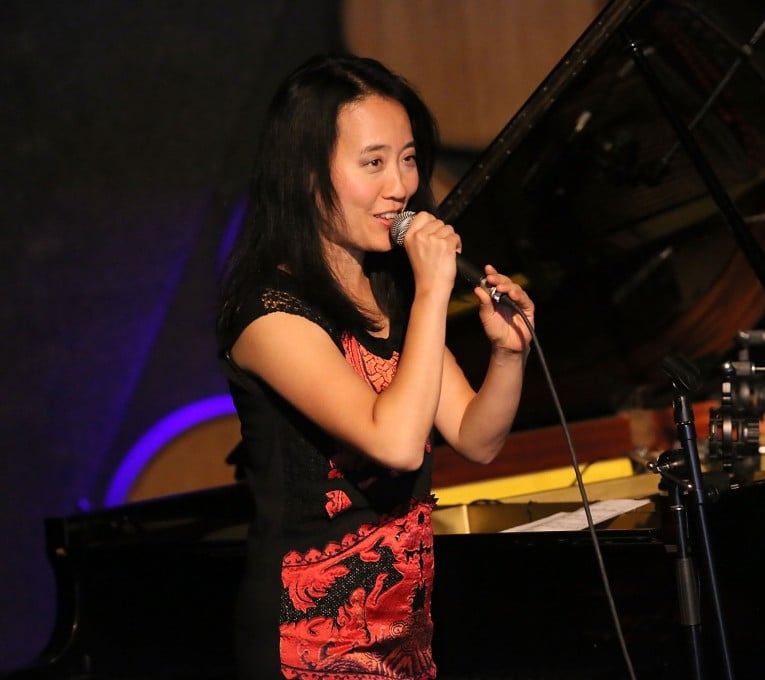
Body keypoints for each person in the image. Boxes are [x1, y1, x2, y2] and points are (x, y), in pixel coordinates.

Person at [215, 52, 535, 680]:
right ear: (308, 175)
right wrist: (435, 291)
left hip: (402, 631)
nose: (402, 186)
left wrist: (507, 353)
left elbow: (476, 437)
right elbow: (395, 443)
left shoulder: (387, 294)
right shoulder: (270, 315)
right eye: (373, 163)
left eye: (408, 158)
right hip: (310, 643)